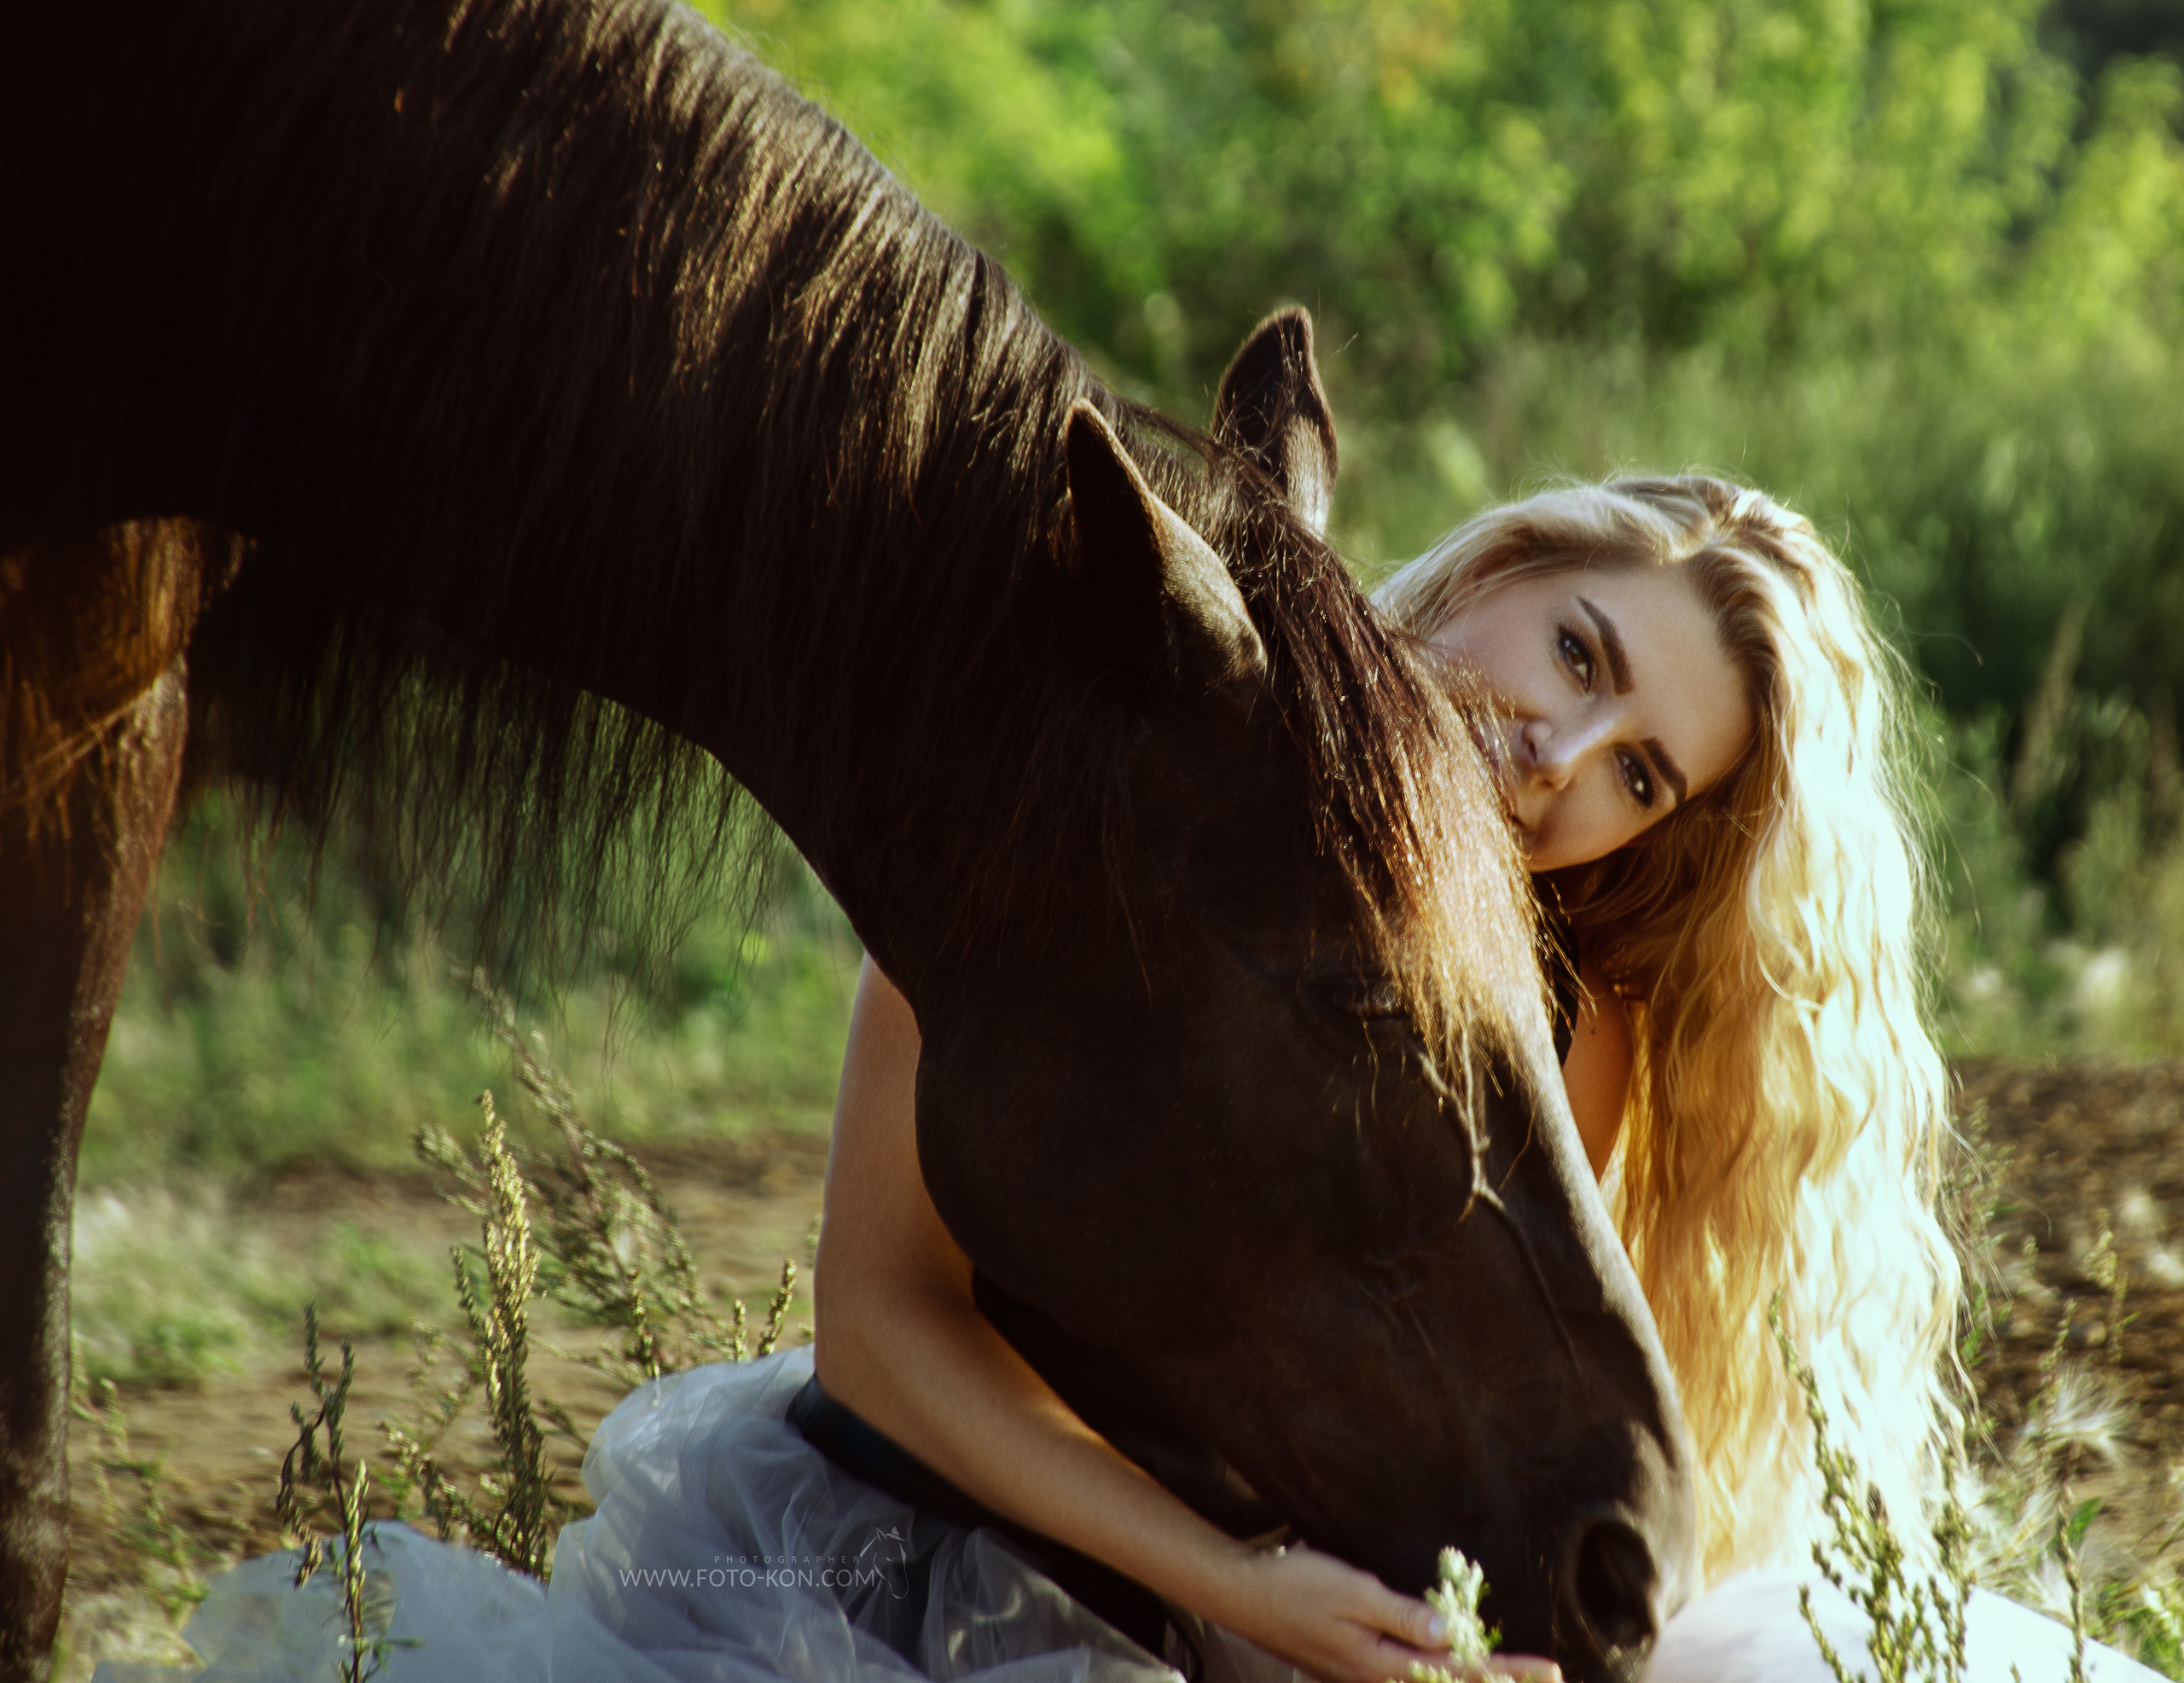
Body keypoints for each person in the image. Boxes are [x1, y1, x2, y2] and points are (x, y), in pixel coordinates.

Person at [125, 476, 2157, 1683]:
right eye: (1578, 653)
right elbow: (880, 1314)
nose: (1560, 754)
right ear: (1480, 579)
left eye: (1641, 773)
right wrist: (1223, 1586)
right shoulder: (1070, 822)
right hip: (934, 1562)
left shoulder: (1571, 1027)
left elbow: (1497, 1418)